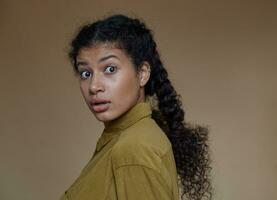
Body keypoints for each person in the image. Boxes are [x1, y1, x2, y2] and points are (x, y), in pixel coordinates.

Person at [60, 14, 211, 200]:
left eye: (110, 69)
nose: (93, 86)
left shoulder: (133, 150)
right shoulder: (125, 139)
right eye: (85, 73)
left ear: (142, 74)